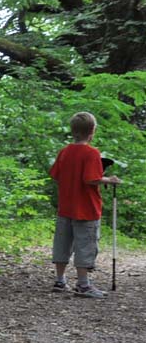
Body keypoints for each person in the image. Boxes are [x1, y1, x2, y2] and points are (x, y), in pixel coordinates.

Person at [49, 111, 121, 298]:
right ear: (92, 131)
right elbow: (90, 179)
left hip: (66, 207)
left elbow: (55, 175)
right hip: (86, 208)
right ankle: (83, 285)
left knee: (62, 243)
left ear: (72, 130)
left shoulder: (65, 151)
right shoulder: (91, 153)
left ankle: (60, 280)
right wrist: (109, 180)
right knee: (85, 245)